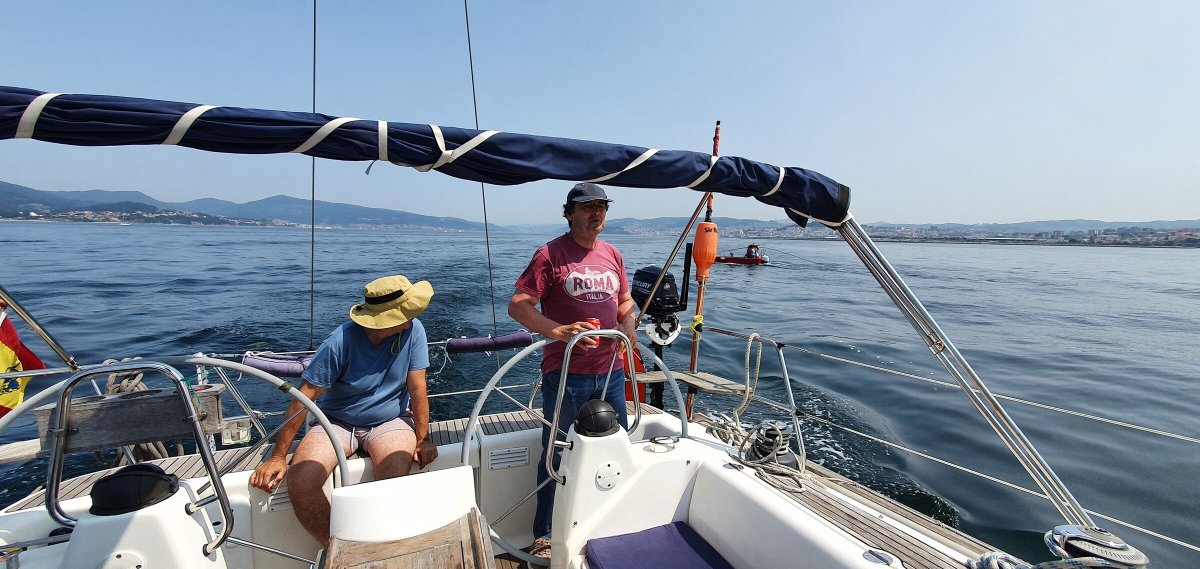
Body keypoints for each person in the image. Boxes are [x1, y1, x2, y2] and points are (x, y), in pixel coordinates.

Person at [249, 274, 438, 546]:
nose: (411, 317)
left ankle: (383, 545)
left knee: (394, 472)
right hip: (337, 423)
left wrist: (422, 439)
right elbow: (303, 398)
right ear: (386, 318)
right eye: (405, 313)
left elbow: (418, 388)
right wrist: (279, 456)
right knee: (301, 481)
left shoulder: (414, 330)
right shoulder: (339, 342)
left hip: (391, 420)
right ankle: (343, 551)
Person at [508, 182, 639, 557]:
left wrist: (629, 321)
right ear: (569, 213)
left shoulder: (613, 253)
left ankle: (608, 519)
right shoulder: (549, 254)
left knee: (614, 445)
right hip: (566, 373)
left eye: (601, 207)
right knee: (557, 451)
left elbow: (625, 300)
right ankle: (544, 534)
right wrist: (557, 331)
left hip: (613, 370)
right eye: (586, 207)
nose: (595, 213)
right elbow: (518, 304)